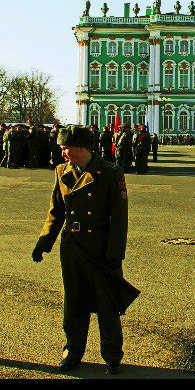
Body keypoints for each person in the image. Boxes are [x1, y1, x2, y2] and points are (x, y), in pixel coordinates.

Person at [32, 126, 139, 374]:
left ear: (81, 149)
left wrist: (115, 253)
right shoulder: (62, 171)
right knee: (74, 302)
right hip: (72, 247)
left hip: (101, 249)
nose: (62, 152)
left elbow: (119, 217)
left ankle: (112, 354)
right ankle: (72, 351)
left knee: (107, 304)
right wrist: (44, 241)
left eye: (65, 148)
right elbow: (56, 211)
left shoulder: (111, 173)